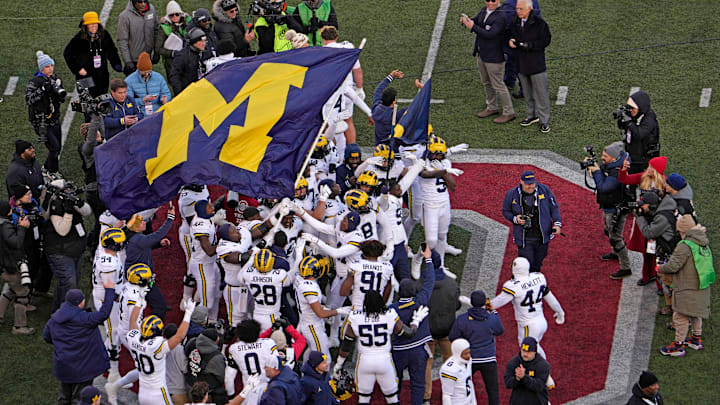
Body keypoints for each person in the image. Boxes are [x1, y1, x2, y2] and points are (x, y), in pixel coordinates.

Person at [333, 290, 429, 405]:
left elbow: (347, 344)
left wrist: (339, 364)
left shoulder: (356, 317)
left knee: (363, 399)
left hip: (365, 361)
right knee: (392, 399)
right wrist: (416, 321)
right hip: (384, 361)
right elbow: (408, 333)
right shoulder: (389, 315)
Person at [491, 257, 564, 389]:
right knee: (534, 347)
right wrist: (560, 311)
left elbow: (500, 301)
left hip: (528, 325)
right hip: (542, 321)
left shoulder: (512, 286)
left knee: (528, 349)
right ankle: (544, 375)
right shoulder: (539, 277)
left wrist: (487, 306)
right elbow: (549, 297)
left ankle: (545, 376)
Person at [43, 280, 115, 405]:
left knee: (64, 398)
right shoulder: (86, 319)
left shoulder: (54, 320)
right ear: (80, 303)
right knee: (80, 400)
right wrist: (109, 290)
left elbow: (47, 337)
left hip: (64, 367)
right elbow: (104, 313)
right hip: (83, 369)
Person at [658, 216, 713, 357]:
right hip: (702, 284)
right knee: (695, 313)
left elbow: (673, 265)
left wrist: (660, 268)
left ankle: (678, 346)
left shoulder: (685, 245)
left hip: (687, 286)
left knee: (680, 315)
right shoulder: (703, 242)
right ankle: (695, 339)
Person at [389, 244, 436, 405]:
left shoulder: (391, 309)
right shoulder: (421, 301)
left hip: (398, 351)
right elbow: (430, 281)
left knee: (395, 382)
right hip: (418, 350)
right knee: (418, 384)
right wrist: (428, 259)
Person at [126, 298, 195, 405]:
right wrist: (188, 313)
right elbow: (179, 336)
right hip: (158, 393)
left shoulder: (134, 339)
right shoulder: (156, 345)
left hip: (143, 392)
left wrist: (138, 302)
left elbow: (132, 322)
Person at [461, 0, 516, 124]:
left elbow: (490, 34)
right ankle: (492, 107)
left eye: (493, 0)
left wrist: (473, 27)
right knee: (486, 82)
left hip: (494, 56)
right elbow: (477, 21)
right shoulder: (484, 10)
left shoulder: (501, 16)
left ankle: (509, 112)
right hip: (482, 53)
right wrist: (468, 22)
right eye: (487, 0)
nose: (490, 3)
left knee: (498, 85)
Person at [44, 179, 93, 311]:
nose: (69, 191)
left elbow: (87, 212)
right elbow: (62, 231)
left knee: (70, 282)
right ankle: (67, 314)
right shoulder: (56, 205)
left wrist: (79, 203)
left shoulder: (69, 200)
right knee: (70, 283)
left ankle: (59, 309)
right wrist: (68, 212)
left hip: (75, 248)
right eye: (65, 190)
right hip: (60, 252)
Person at [449, 290, 504, 405]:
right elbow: (500, 331)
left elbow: (453, 337)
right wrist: (493, 311)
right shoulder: (491, 318)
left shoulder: (462, 319)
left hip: (469, 359)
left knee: (462, 388)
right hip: (488, 358)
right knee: (493, 391)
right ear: (485, 302)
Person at [587, 142, 633, 279]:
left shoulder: (617, 172)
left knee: (615, 237)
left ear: (613, 158)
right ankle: (615, 252)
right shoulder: (612, 166)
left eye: (605, 156)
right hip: (609, 207)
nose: (602, 158)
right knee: (608, 231)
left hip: (615, 210)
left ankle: (626, 267)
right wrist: (593, 168)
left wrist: (596, 172)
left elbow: (604, 187)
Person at [502, 170, 562, 273]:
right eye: (527, 184)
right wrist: (515, 219)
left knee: (538, 264)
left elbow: (554, 207)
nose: (531, 187)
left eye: (532, 183)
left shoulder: (544, 190)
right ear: (521, 182)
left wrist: (557, 224)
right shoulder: (512, 194)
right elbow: (505, 211)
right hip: (525, 238)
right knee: (526, 265)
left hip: (542, 237)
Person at [417, 136, 464, 265]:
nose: (437, 157)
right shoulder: (422, 162)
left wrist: (444, 172)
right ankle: (417, 259)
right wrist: (443, 171)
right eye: (434, 154)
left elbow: (453, 187)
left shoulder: (445, 163)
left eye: (440, 154)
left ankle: (441, 265)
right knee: (431, 241)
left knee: (442, 236)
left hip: (444, 203)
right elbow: (424, 174)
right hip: (429, 205)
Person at [124, 205, 176, 320]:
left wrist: (159, 244)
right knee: (159, 306)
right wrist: (170, 218)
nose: (144, 223)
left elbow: (146, 245)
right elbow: (157, 235)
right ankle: (154, 330)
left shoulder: (135, 238)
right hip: (140, 280)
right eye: (141, 222)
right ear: (135, 226)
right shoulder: (138, 239)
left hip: (139, 278)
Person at [509, 0, 552, 133]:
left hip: (536, 64)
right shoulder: (515, 21)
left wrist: (528, 45)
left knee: (541, 95)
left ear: (529, 9)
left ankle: (544, 121)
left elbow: (545, 40)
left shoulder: (539, 23)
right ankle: (531, 115)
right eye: (517, 8)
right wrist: (511, 40)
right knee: (527, 93)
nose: (518, 11)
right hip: (522, 63)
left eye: (521, 9)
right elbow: (510, 34)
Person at [423, 251, 460, 403]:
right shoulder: (451, 284)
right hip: (447, 328)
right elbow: (456, 305)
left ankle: (426, 395)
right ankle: (450, 392)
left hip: (428, 330)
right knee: (450, 360)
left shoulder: (422, 284)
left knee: (427, 362)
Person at [25, 51, 67, 173]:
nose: (50, 69)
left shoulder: (54, 78)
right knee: (54, 148)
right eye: (47, 67)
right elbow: (28, 99)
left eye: (51, 66)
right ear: (41, 68)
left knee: (57, 148)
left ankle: (49, 170)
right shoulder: (34, 82)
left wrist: (58, 89)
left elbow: (62, 98)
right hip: (40, 121)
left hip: (54, 118)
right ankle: (50, 171)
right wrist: (42, 90)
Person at [63, 11, 123, 98]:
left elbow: (112, 50)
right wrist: (78, 69)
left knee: (102, 100)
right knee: (87, 102)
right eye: (90, 24)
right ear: (85, 26)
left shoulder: (104, 35)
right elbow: (67, 54)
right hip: (84, 77)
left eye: (95, 23)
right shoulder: (78, 39)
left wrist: (116, 64)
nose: (94, 26)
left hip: (102, 75)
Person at [0, 200, 33, 335]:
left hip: (4, 267)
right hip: (12, 266)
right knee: (22, 294)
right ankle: (20, 327)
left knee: (9, 290)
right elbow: (16, 243)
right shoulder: (5, 226)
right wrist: (22, 227)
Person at [371, 70, 422, 146]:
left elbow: (378, 90)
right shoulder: (396, 116)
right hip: (393, 149)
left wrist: (391, 76)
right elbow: (416, 107)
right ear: (393, 101)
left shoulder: (376, 108)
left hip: (379, 148)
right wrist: (423, 89)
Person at [618, 91, 660, 174]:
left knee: (642, 179)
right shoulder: (635, 114)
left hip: (644, 158)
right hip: (633, 153)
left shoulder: (649, 119)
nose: (630, 110)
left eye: (633, 108)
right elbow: (621, 126)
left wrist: (628, 122)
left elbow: (639, 134)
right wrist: (621, 119)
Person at [503, 337, 551, 405]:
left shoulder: (543, 365)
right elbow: (507, 383)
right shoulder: (513, 362)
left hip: (537, 402)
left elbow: (538, 386)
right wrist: (517, 379)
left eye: (528, 352)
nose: (525, 354)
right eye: (523, 351)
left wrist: (524, 377)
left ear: (534, 352)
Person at [117, 0, 159, 76]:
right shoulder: (124, 16)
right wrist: (128, 61)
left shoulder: (151, 10)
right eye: (140, 2)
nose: (143, 4)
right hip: (134, 60)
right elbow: (122, 40)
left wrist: (157, 52)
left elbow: (156, 31)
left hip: (147, 58)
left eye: (145, 1)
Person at [125, 52, 171, 116]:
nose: (146, 74)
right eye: (144, 72)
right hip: (140, 114)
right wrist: (142, 100)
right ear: (138, 69)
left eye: (148, 71)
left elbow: (166, 93)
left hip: (158, 112)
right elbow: (127, 102)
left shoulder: (159, 77)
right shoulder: (129, 81)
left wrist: (165, 99)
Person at [155, 1, 191, 77]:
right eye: (171, 15)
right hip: (172, 62)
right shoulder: (164, 28)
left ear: (181, 14)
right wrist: (172, 53)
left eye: (177, 14)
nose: (175, 16)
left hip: (188, 59)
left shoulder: (188, 23)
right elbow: (158, 48)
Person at [170, 28, 208, 95]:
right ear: (193, 42)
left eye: (204, 41)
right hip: (187, 93)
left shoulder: (205, 52)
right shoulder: (182, 56)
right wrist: (180, 93)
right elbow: (174, 76)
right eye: (200, 41)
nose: (203, 44)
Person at [440, 338, 475, 405]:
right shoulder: (450, 370)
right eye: (465, 353)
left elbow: (470, 383)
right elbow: (447, 396)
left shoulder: (468, 361)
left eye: (469, 352)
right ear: (458, 353)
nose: (468, 356)